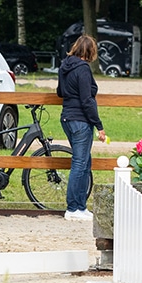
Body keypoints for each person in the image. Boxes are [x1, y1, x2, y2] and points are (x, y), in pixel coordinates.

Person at [58, 34, 106, 222]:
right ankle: (73, 207)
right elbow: (87, 100)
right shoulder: (83, 69)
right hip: (81, 120)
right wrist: (99, 125)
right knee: (80, 163)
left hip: (67, 118)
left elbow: (60, 92)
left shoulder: (65, 66)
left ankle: (80, 206)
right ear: (91, 52)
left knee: (84, 162)